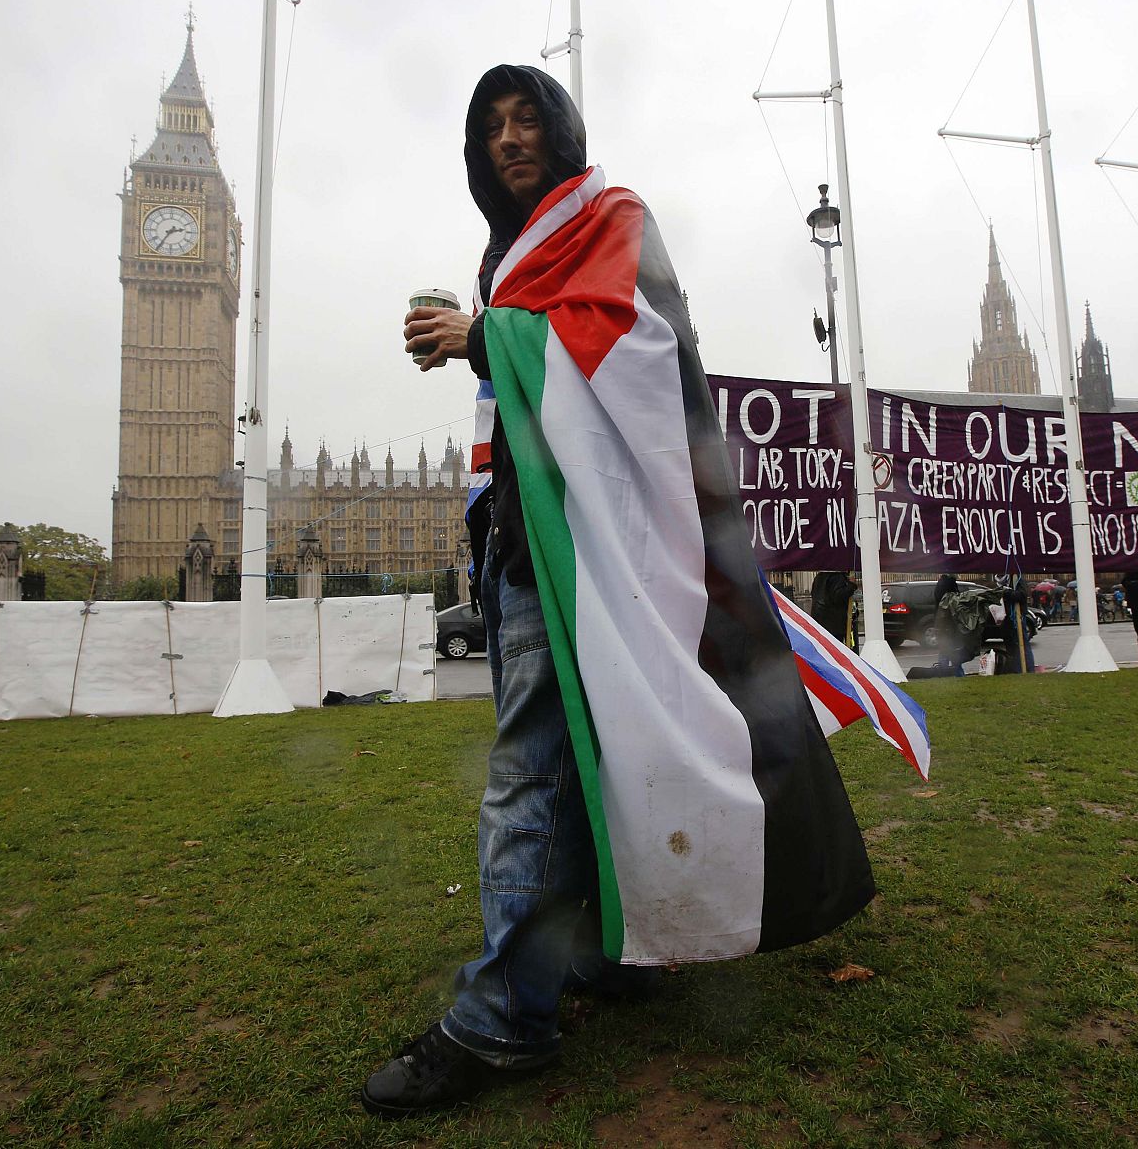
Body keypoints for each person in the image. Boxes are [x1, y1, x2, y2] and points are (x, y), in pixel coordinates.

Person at [369, 65, 873, 1119]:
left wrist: (491, 337)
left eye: (526, 120)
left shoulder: (607, 215)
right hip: (527, 542)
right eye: (489, 128)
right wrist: (488, 336)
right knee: (586, 758)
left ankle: (503, 1014)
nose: (510, 139)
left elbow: (642, 355)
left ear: (561, 130)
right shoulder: (508, 254)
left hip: (588, 556)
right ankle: (621, 948)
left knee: (527, 778)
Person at [809, 570, 855, 644]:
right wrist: (851, 585)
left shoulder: (819, 576)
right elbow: (838, 596)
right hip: (833, 624)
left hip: (819, 621)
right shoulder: (837, 577)